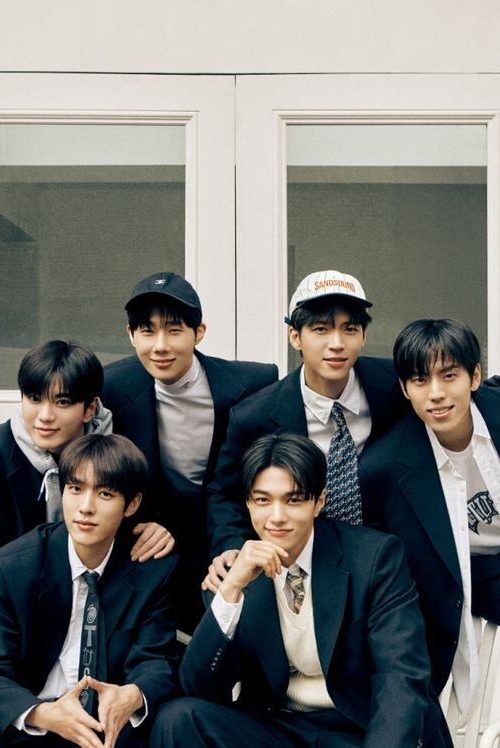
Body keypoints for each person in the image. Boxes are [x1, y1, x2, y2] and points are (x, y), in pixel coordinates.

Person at [150, 433, 449, 748]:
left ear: (319, 502)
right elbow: (197, 687)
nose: (277, 517)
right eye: (263, 500)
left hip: (358, 727)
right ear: (248, 503)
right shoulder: (234, 570)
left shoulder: (375, 558)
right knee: (178, 719)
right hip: (278, 726)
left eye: (293, 500)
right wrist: (231, 590)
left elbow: (400, 678)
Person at [0, 433, 178, 748]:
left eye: (105, 493)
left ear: (132, 504)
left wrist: (133, 694)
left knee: (168, 719)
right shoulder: (9, 569)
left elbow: (156, 659)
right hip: (35, 722)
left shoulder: (151, 570)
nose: (85, 507)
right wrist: (43, 713)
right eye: (75, 489)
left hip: (108, 728)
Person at [205, 269, 408, 590]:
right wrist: (231, 545)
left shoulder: (396, 387)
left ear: (364, 336)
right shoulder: (254, 417)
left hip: (389, 560)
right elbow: (225, 493)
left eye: (349, 329)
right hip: (300, 562)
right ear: (295, 337)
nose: (337, 344)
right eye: (321, 329)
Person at [102, 271, 278, 631]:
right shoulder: (113, 387)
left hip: (224, 526)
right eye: (147, 331)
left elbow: (252, 478)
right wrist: (135, 523)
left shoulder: (251, 384)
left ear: (199, 333)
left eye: (174, 330)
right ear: (131, 335)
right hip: (154, 530)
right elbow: (108, 470)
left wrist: (234, 543)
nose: (160, 346)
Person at [360, 318, 500, 719]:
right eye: (420, 380)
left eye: (449, 376)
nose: (436, 394)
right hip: (462, 585)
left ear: (474, 377)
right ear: (405, 389)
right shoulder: (382, 469)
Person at [0, 339, 113, 617]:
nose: (45, 416)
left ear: (89, 409)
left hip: (98, 600)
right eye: (34, 399)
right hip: (13, 609)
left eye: (62, 402)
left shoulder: (117, 451)